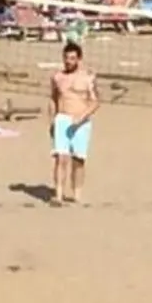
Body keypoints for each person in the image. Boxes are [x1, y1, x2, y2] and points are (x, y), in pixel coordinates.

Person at [48, 39, 99, 206]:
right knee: (60, 158)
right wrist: (53, 120)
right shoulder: (57, 77)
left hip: (81, 121)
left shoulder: (87, 78)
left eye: (72, 58)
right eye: (66, 58)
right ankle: (59, 195)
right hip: (62, 118)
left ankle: (77, 195)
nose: (68, 61)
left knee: (78, 160)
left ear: (79, 59)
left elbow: (95, 102)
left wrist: (82, 117)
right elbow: (54, 99)